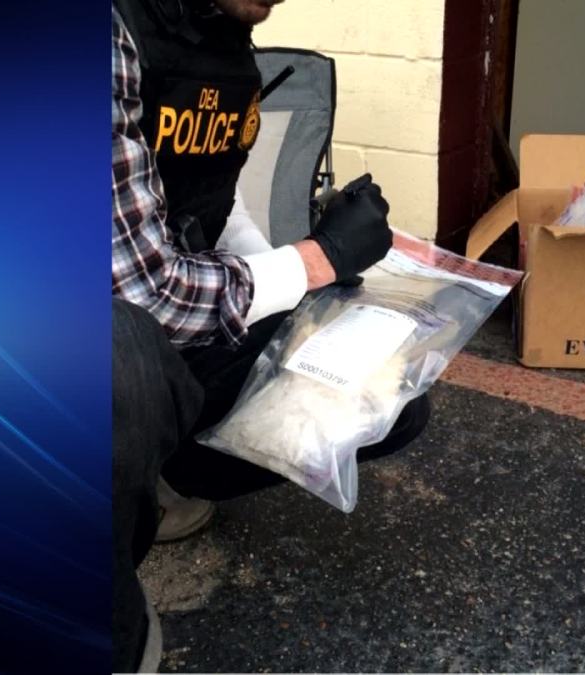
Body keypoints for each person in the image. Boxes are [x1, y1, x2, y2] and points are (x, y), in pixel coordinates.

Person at [110, 0, 430, 670]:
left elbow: (213, 209)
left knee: (386, 387)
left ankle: (159, 479)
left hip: (157, 324)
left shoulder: (222, 42)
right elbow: (139, 292)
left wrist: (311, 300)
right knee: (124, 354)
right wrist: (319, 257)